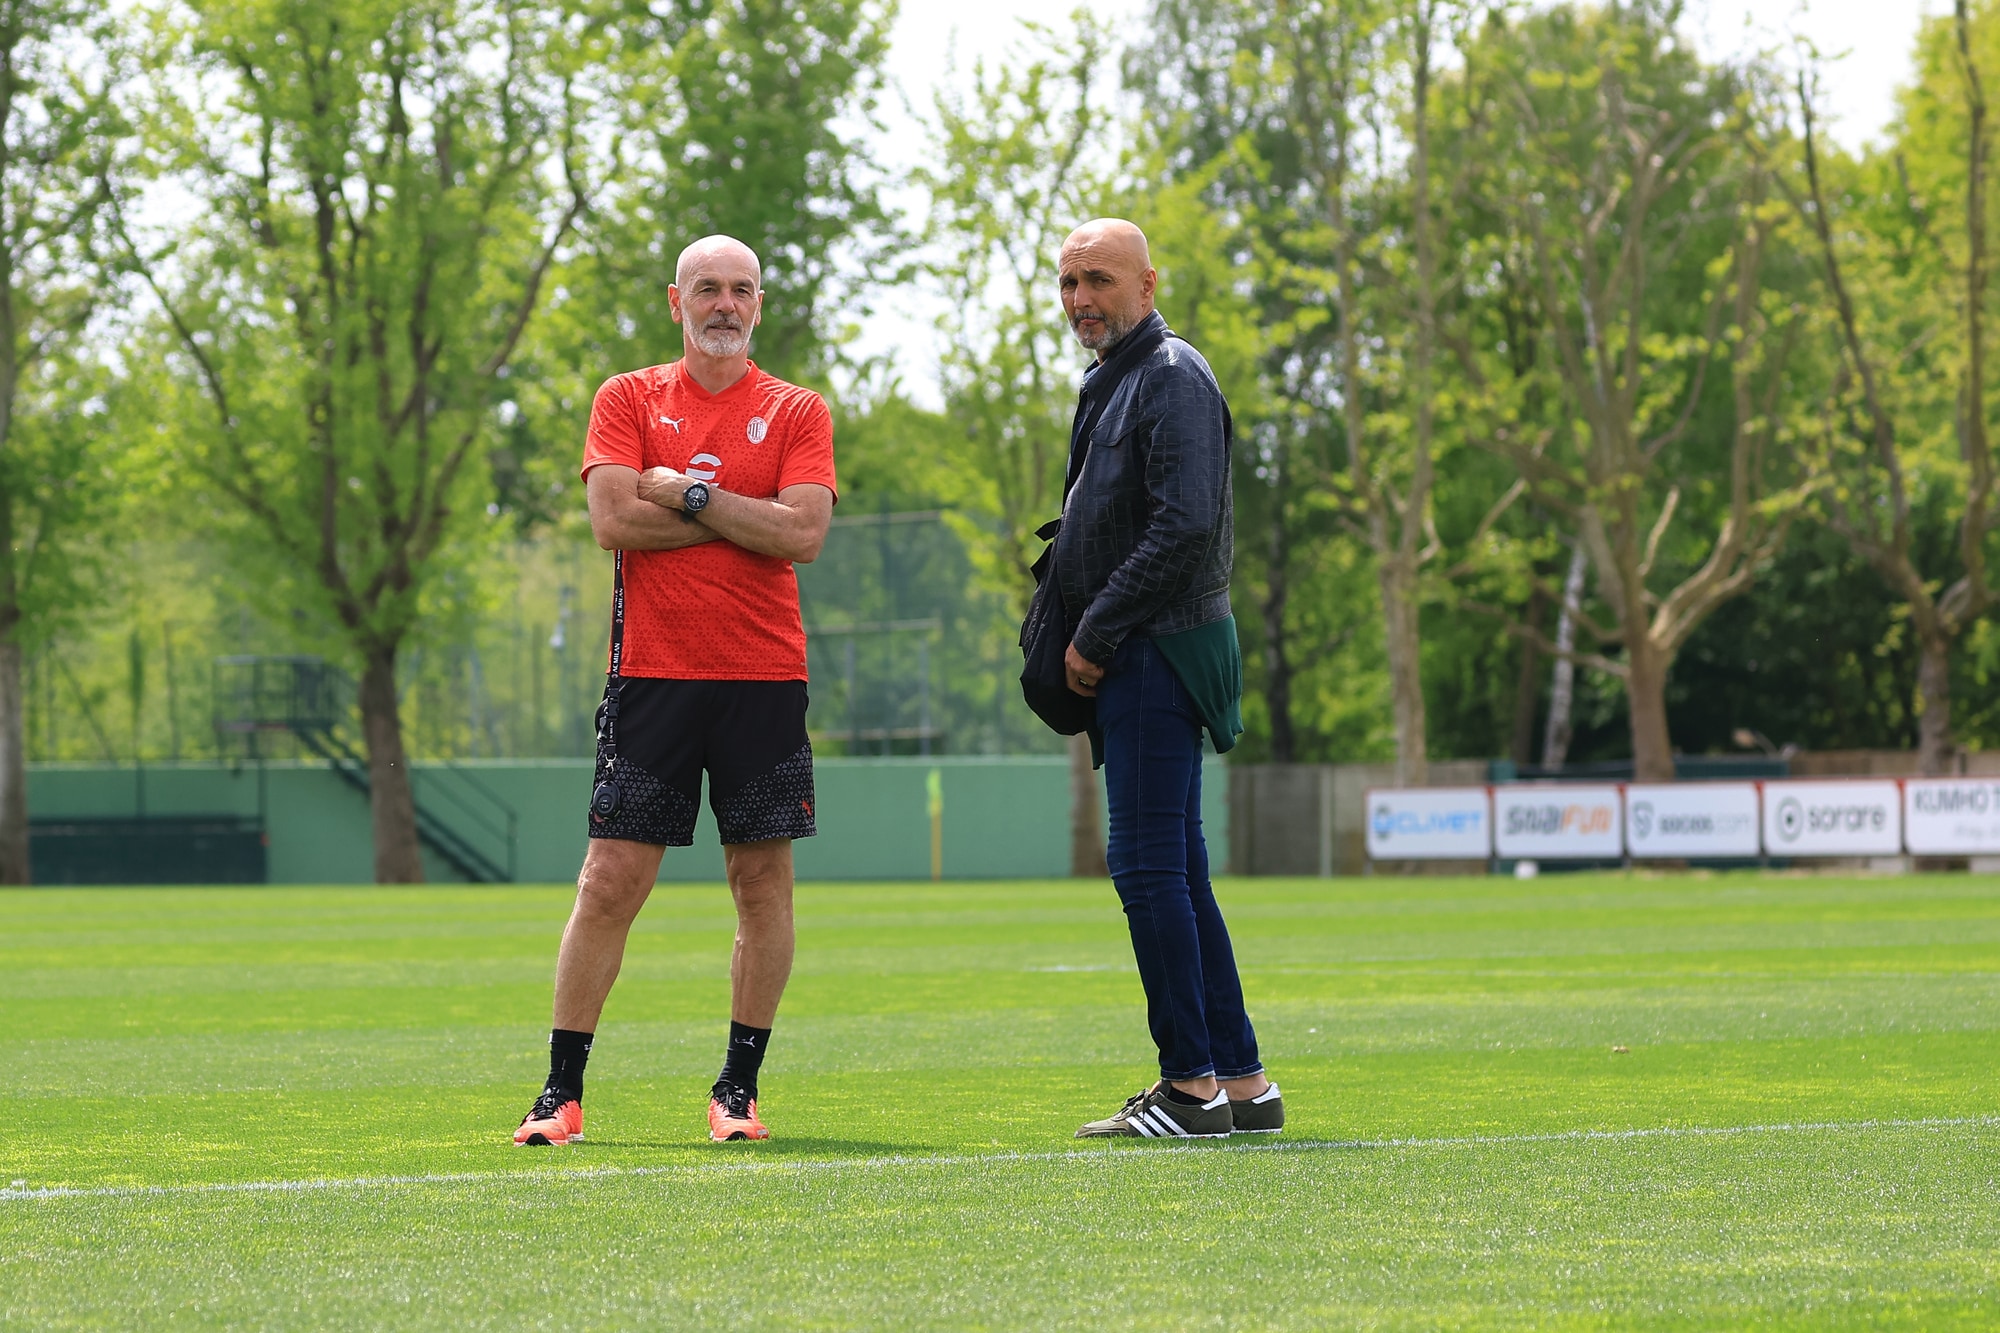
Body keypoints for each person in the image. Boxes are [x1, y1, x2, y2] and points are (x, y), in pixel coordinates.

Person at [513, 235, 837, 1146]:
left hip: (764, 679)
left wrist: (689, 497)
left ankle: (737, 1089)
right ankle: (560, 1093)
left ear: (759, 303)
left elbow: (804, 535)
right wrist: (747, 518)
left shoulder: (797, 409)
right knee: (609, 880)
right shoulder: (627, 398)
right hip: (650, 677)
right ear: (677, 300)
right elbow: (613, 518)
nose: (725, 304)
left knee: (761, 884)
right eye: (708, 288)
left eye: (742, 289)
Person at [1055, 219, 1282, 1140]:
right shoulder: (1121, 376)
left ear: (1148, 285)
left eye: (1099, 280)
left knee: (1147, 867)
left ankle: (1190, 1087)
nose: (1081, 299)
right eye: (1068, 282)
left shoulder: (1172, 374)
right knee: (1176, 867)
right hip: (1146, 647)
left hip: (1156, 649)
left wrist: (1095, 631)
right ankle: (1242, 1082)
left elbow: (1185, 524)